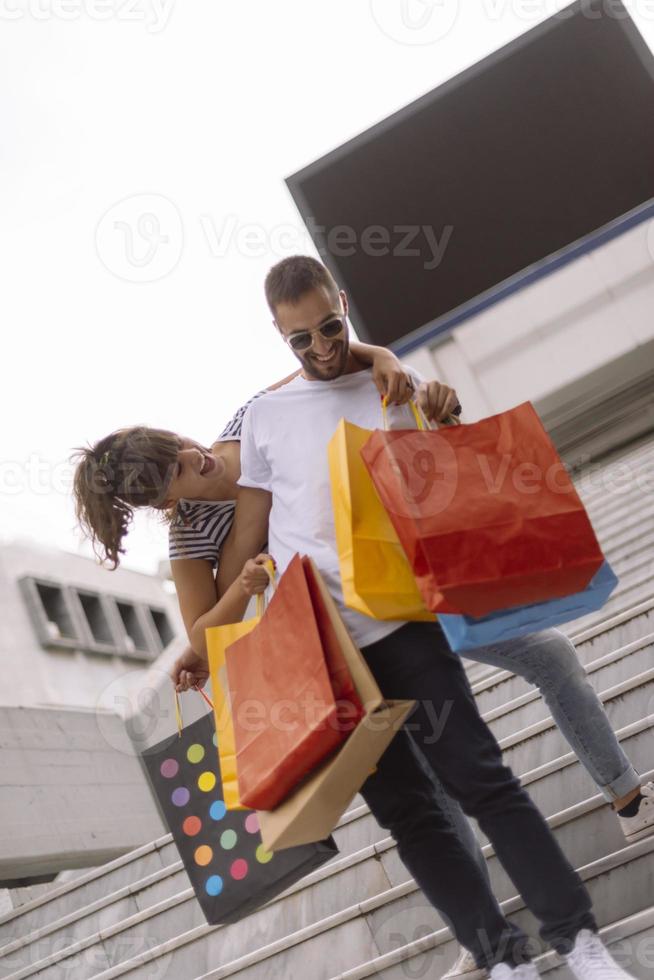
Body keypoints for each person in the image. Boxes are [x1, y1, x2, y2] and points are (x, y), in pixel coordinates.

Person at [71, 275, 651, 975]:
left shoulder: (252, 419)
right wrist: (239, 591)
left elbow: (326, 356)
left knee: (509, 716)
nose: (190, 465)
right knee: (418, 812)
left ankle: (590, 886)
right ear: (162, 501)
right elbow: (207, 626)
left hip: (394, 598)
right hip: (318, 650)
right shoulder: (194, 539)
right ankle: (496, 953)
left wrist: (385, 359)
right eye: (173, 478)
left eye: (175, 448)